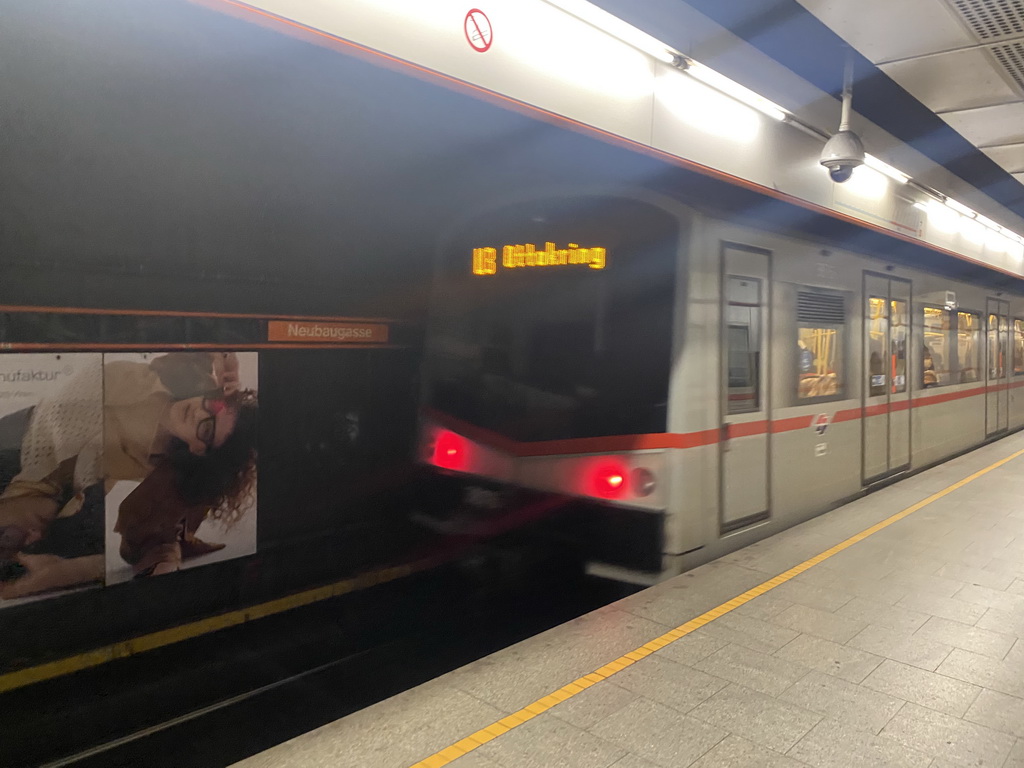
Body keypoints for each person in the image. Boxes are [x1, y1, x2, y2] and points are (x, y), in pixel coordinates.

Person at [0, 352, 257, 599]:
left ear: (199, 451)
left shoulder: (168, 469)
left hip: (55, 496)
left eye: (207, 428)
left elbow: (152, 548)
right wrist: (223, 352)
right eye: (214, 406)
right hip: (20, 437)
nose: (199, 413)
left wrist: (70, 572)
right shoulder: (170, 375)